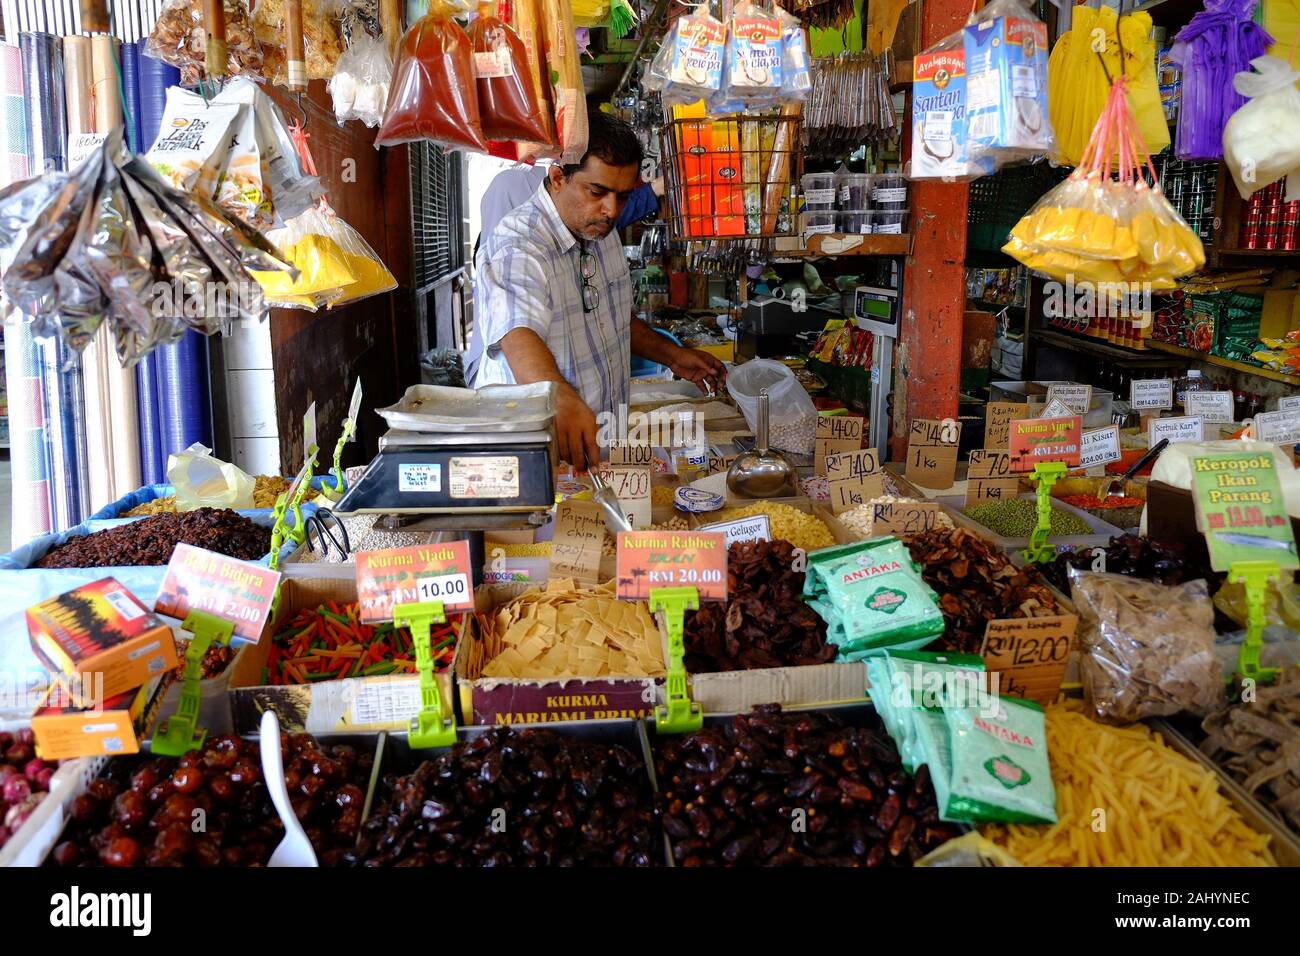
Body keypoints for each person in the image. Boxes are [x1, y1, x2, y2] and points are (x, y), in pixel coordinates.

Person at [470, 111, 724, 470]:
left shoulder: (599, 231)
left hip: (597, 448)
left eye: (621, 196)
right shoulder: (519, 244)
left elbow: (611, 318)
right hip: (528, 458)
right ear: (558, 178)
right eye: (597, 191)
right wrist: (560, 399)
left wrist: (671, 355)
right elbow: (517, 333)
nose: (611, 209)